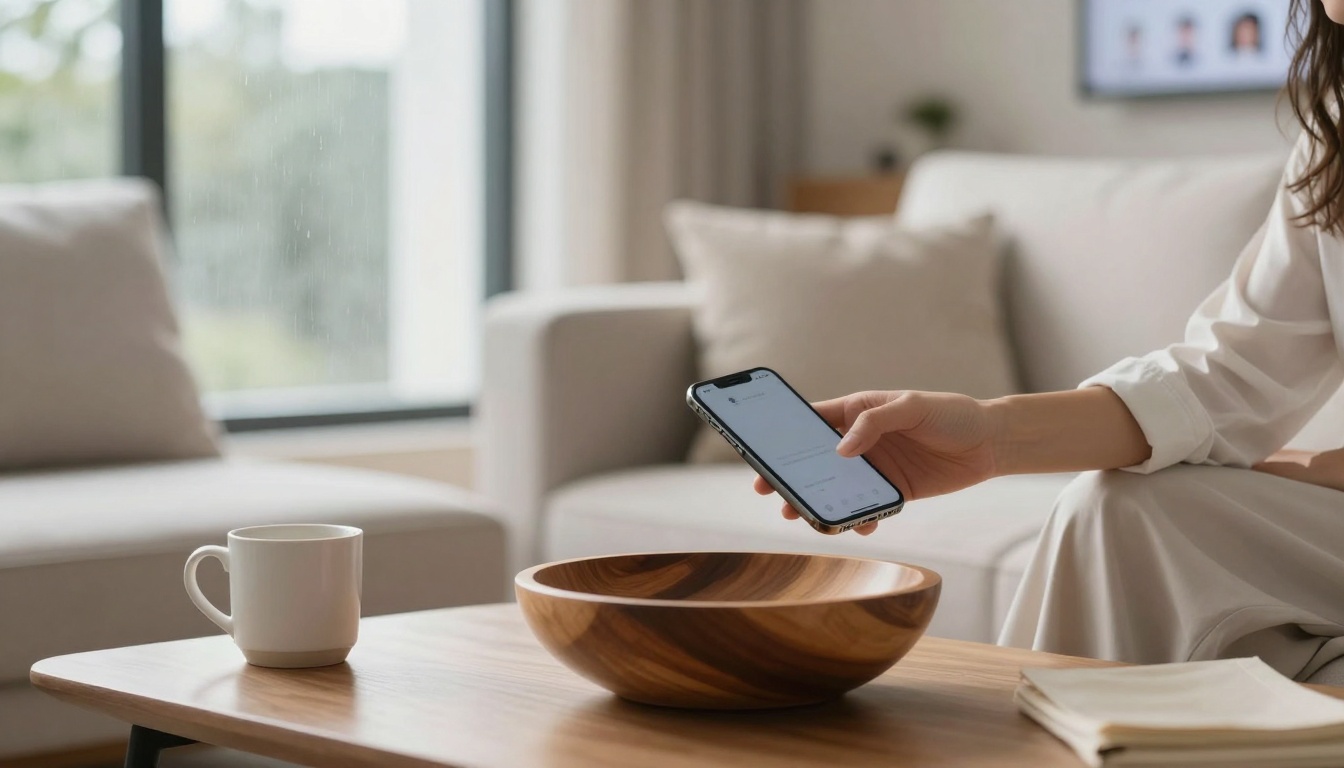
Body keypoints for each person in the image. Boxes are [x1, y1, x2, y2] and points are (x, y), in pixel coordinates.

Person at [754, 0, 1344, 684]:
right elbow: (1228, 376)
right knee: (1117, 511)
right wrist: (991, 437)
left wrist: (1310, 471)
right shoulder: (1333, 137)